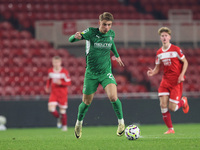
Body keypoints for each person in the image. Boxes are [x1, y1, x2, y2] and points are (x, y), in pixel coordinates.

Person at [69, 12, 125, 139]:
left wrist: (116, 55)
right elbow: (70, 40)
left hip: (106, 72)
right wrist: (75, 36)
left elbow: (111, 43)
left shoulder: (111, 33)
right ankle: (78, 123)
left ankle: (121, 123)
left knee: (113, 97)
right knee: (86, 102)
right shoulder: (90, 32)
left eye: (109, 25)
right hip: (91, 74)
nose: (107, 27)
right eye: (104, 24)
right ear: (99, 23)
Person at [147, 27, 189, 134]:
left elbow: (185, 62)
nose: (164, 37)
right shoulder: (159, 52)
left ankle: (183, 101)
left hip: (176, 82)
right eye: (162, 36)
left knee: (172, 108)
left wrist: (182, 75)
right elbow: (157, 68)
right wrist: (153, 72)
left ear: (169, 37)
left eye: (166, 35)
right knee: (162, 105)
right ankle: (171, 129)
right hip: (165, 81)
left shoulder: (176, 49)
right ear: (160, 38)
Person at [45, 56, 71, 131]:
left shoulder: (64, 72)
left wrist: (61, 83)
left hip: (62, 94)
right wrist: (47, 87)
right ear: (52, 63)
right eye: (54, 62)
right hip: (54, 93)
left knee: (62, 110)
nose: (56, 64)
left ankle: (64, 126)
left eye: (57, 62)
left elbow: (69, 82)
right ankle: (59, 117)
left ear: (60, 63)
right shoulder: (50, 71)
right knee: (51, 109)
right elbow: (48, 80)